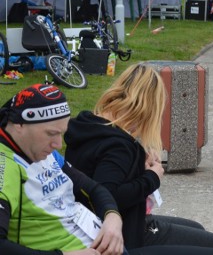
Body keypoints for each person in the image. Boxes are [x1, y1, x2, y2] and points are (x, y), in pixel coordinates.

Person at [64, 64, 213, 254]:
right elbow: (109, 195)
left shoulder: (90, 126)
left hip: (109, 224)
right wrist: (151, 177)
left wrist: (138, 161)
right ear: (148, 107)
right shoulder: (118, 146)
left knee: (196, 228)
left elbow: (103, 173)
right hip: (125, 234)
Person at [0, 83, 126, 255]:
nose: (58, 144)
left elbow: (91, 188)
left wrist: (113, 217)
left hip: (97, 239)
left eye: (61, 133)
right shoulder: (4, 165)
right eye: (51, 134)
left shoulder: (38, 150)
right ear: (19, 125)